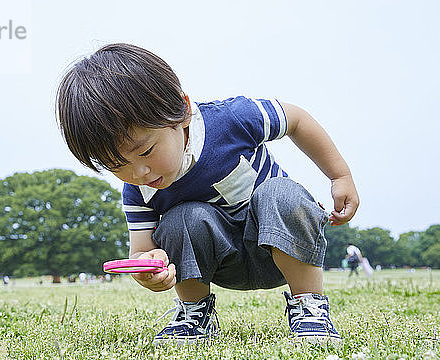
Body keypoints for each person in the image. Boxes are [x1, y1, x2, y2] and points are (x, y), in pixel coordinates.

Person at [56, 43, 359, 344]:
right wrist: (149, 269)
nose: (139, 174)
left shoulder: (232, 119)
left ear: (182, 112)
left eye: (146, 151)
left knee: (280, 193)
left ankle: (310, 308)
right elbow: (140, 251)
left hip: (285, 249)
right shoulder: (138, 191)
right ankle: (193, 315)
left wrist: (339, 175)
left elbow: (297, 119)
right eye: (117, 165)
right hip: (220, 265)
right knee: (182, 217)